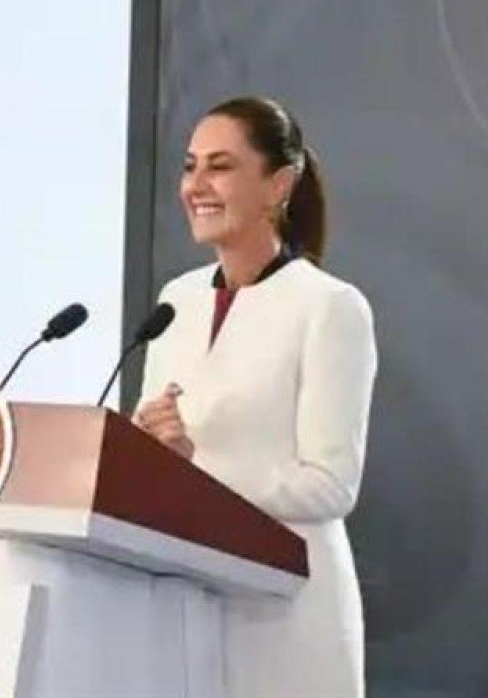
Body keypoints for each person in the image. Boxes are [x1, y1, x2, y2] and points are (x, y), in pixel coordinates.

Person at [135, 96, 377, 697]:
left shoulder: (329, 307)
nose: (196, 185)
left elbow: (331, 484)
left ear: (279, 185)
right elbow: (161, 456)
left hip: (287, 614)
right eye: (190, 166)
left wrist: (197, 471)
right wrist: (144, 450)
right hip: (186, 602)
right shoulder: (177, 300)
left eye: (220, 166)